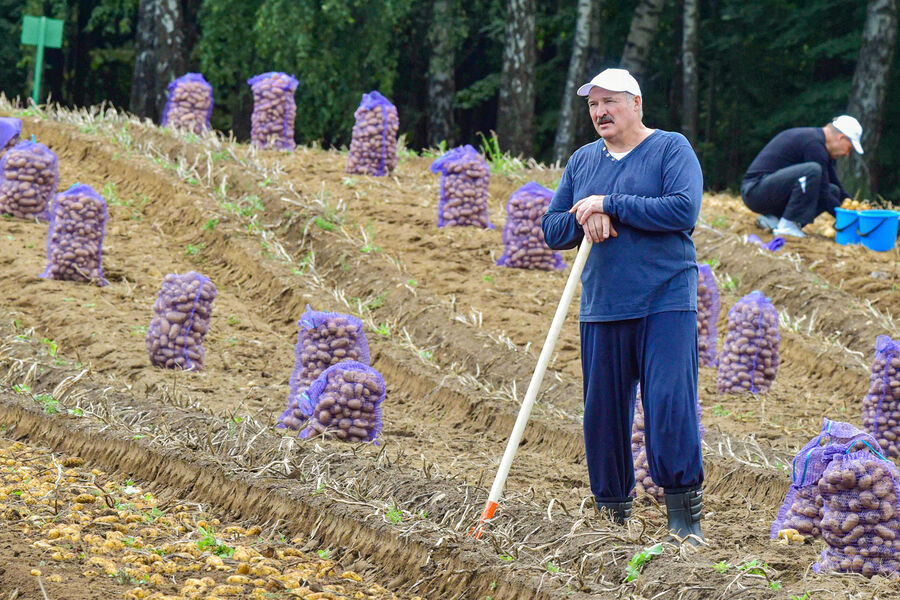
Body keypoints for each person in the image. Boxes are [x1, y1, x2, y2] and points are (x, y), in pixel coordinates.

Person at [541, 68, 705, 544]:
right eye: (593, 105)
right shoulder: (582, 160)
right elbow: (553, 229)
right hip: (603, 304)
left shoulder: (671, 148)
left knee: (668, 403)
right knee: (603, 414)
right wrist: (584, 213)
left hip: (665, 298)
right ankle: (612, 518)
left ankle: (684, 521)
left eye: (609, 101)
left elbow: (682, 209)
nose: (600, 112)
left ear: (636, 102)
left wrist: (610, 203)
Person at [740, 115, 864, 238]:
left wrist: (856, 208)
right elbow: (822, 191)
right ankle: (787, 226)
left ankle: (775, 221)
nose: (847, 154)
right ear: (841, 138)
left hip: (770, 191)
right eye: (849, 148)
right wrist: (845, 217)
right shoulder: (813, 144)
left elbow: (835, 185)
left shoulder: (818, 144)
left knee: (834, 191)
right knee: (812, 170)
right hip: (755, 191)